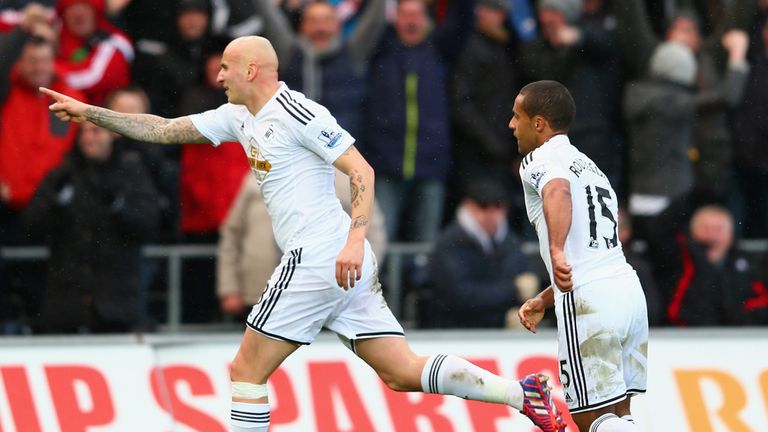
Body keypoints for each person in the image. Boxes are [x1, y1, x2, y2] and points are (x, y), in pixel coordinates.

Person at [41, 36, 565, 432]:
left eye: (225, 67)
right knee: (401, 372)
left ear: (251, 69)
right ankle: (525, 395)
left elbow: (362, 172)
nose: (219, 75)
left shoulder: (298, 111)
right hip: (336, 262)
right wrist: (92, 113)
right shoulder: (238, 117)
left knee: (246, 369)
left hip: (320, 255)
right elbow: (164, 128)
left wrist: (356, 240)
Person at [514, 81, 648, 432]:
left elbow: (557, 191)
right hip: (627, 292)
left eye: (517, 116)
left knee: (593, 419)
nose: (512, 125)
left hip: (590, 301)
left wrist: (555, 249)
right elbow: (589, 249)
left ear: (539, 123)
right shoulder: (589, 166)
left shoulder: (540, 159)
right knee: (620, 414)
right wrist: (546, 298)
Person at [23, 121, 160, 333]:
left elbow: (149, 225)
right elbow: (31, 226)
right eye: (83, 132)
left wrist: (118, 206)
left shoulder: (132, 173)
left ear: (113, 135)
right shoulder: (63, 174)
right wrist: (55, 201)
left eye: (95, 131)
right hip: (67, 304)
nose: (88, 138)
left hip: (116, 303)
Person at [217, 169, 388, 320]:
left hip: (328, 297)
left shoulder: (346, 178)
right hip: (260, 294)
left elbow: (374, 233)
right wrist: (229, 288)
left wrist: (358, 283)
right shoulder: (258, 173)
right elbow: (232, 234)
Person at [424, 177, 539, 329]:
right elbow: (460, 296)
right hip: (454, 333)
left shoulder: (510, 241)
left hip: (499, 331)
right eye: (483, 206)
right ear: (467, 205)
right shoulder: (449, 242)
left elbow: (523, 277)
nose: (491, 213)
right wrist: (514, 290)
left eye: (497, 206)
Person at [658, 205, 768, 326]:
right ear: (691, 232)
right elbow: (661, 228)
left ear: (730, 235)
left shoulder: (749, 265)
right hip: (683, 337)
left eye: (718, 229)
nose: (711, 235)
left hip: (739, 338)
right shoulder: (676, 260)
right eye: (705, 228)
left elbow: (761, 303)